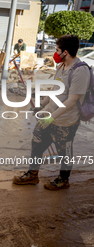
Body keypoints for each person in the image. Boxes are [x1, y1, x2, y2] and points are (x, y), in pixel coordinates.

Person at [13, 34, 91, 190]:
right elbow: (55, 90)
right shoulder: (61, 66)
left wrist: (51, 117)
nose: (55, 53)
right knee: (37, 143)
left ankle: (63, 179)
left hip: (66, 121)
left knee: (64, 152)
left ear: (66, 52)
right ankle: (32, 174)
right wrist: (42, 105)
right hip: (49, 115)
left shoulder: (80, 71)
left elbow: (72, 100)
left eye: (57, 50)